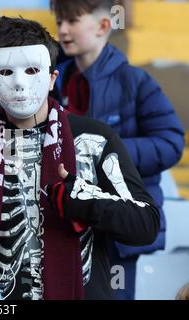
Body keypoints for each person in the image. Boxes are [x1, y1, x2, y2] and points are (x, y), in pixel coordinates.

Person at [0, 16, 160, 300]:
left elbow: (145, 225)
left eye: (32, 70)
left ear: (53, 78)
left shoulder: (94, 139)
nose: (19, 84)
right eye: (5, 72)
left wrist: (86, 200)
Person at [51, 0, 185, 299]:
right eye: (59, 21)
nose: (62, 30)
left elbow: (171, 142)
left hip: (116, 230)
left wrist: (108, 153)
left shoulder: (135, 81)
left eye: (72, 21)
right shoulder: (50, 81)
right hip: (64, 223)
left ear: (103, 26)